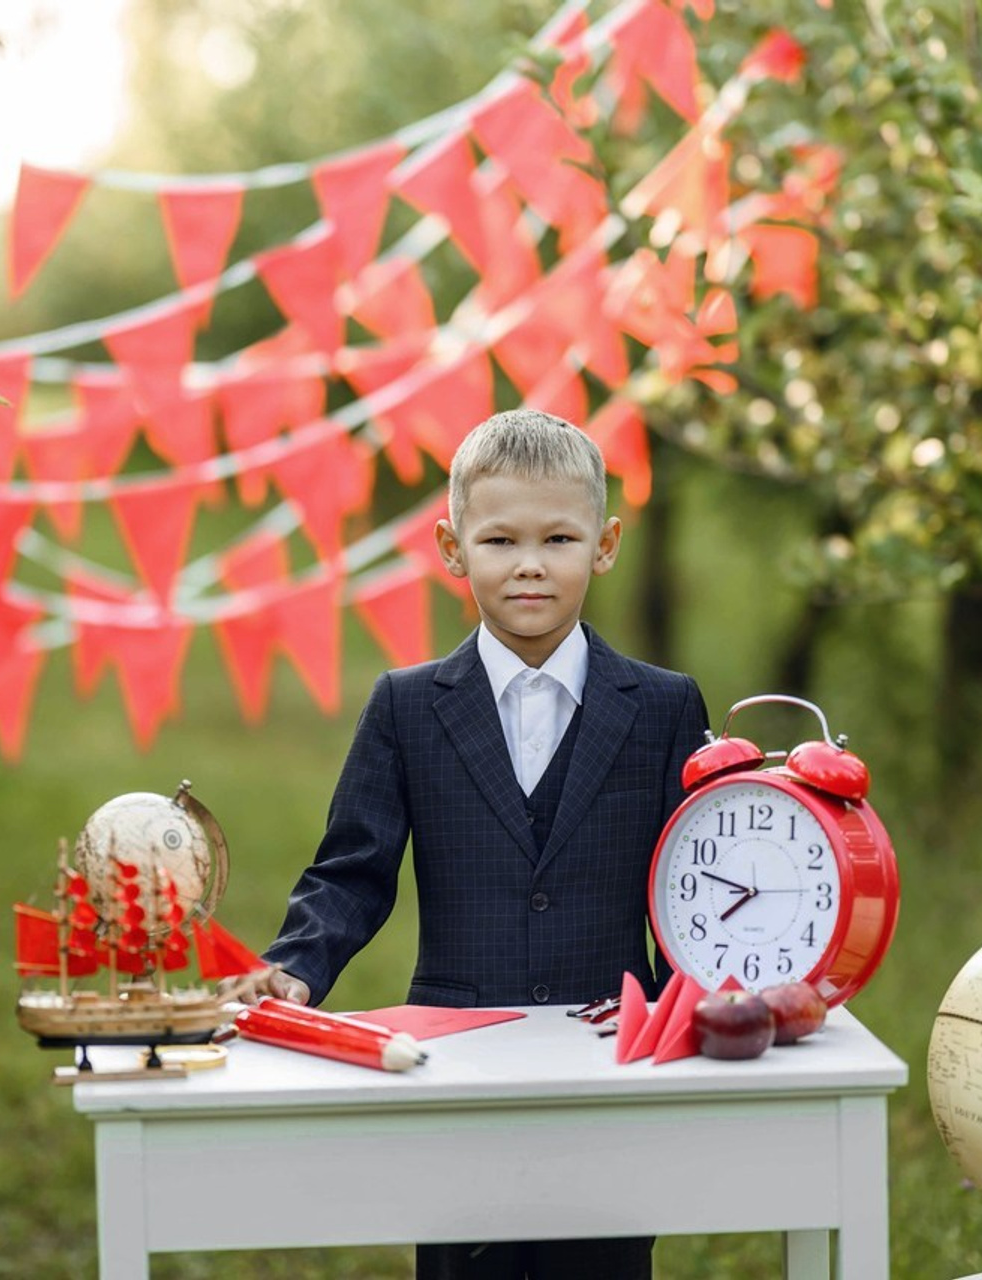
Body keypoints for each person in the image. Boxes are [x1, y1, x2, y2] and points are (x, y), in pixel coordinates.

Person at [255, 408, 709, 1279]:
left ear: (605, 544)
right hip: (455, 1052)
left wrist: (703, 995)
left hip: (613, 1053)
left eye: (559, 538)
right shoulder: (406, 705)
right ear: (452, 546)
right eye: (499, 539)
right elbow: (352, 869)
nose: (530, 563)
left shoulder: (663, 706)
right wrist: (296, 967)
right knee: (468, 1258)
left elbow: (693, 881)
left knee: (604, 1256)